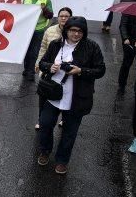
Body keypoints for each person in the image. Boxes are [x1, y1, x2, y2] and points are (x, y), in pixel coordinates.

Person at [36, 16, 105, 174]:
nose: (76, 34)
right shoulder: (55, 44)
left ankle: (62, 160)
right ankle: (45, 151)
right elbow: (42, 62)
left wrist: (81, 71)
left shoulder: (91, 47)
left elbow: (101, 70)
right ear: (66, 30)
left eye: (80, 31)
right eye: (73, 30)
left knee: (70, 132)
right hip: (52, 94)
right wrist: (49, 67)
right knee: (45, 124)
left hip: (77, 98)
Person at [34, 7, 73, 130]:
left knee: (65, 97)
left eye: (66, 16)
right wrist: (38, 63)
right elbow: (43, 48)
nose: (63, 18)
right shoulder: (50, 30)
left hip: (66, 74)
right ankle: (41, 120)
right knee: (44, 97)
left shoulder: (74, 33)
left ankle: (64, 119)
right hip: (49, 71)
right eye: (61, 16)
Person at [22, 0, 53, 81]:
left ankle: (30, 72)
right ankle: (26, 69)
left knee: (34, 52)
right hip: (27, 29)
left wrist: (44, 9)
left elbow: (50, 15)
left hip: (38, 29)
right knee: (26, 50)